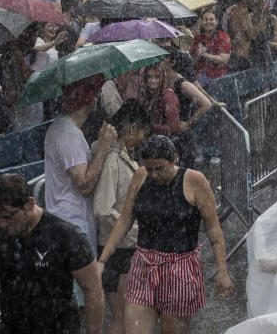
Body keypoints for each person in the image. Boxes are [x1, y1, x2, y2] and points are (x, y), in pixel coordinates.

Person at [96, 135, 234, 334]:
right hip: (143, 264)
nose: (153, 174)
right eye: (149, 168)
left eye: (159, 168)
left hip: (180, 268)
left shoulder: (194, 181)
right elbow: (125, 220)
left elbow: (213, 228)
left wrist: (222, 269)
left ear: (174, 159)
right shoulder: (140, 176)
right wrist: (103, 259)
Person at [0, 173, 105, 334]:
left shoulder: (66, 235)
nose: (1, 223)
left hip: (60, 328)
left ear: (29, 204)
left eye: (8, 216)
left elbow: (93, 289)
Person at [91, 100, 152, 334]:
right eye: (141, 134)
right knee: (122, 318)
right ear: (131, 128)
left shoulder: (121, 155)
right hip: (118, 250)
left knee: (127, 317)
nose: (141, 140)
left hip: (123, 248)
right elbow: (103, 208)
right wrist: (133, 228)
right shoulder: (112, 160)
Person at [44, 76, 118, 244]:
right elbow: (84, 184)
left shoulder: (64, 128)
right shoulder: (68, 134)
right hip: (73, 227)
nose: (97, 98)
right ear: (87, 99)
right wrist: (104, 147)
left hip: (68, 224)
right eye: (94, 93)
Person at [191, 11, 231, 86]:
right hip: (198, 81)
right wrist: (197, 54)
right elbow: (192, 62)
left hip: (218, 80)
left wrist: (205, 55)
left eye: (211, 19)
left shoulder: (223, 36)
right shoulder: (197, 38)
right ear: (201, 22)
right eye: (205, 19)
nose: (208, 22)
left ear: (216, 22)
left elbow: (224, 59)